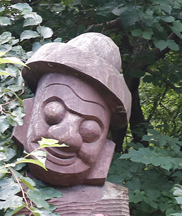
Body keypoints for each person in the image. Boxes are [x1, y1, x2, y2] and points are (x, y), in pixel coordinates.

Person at [13, 32, 130, 188]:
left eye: (90, 131)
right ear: (28, 111)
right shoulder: (2, 175)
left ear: (105, 147)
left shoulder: (111, 199)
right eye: (53, 113)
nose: (66, 138)